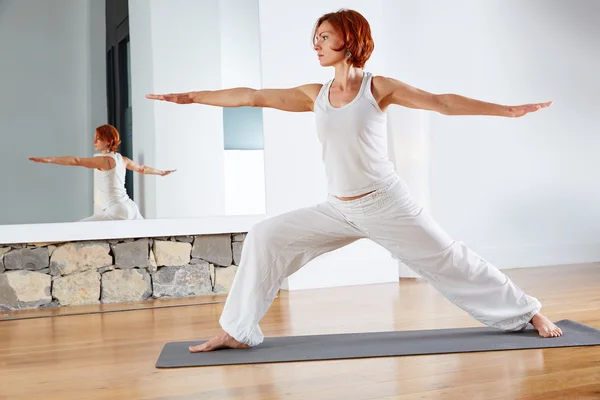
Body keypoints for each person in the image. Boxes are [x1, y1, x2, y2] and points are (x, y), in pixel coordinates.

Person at [146, 9, 561, 352]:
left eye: (325, 37)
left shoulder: (378, 88)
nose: (317, 45)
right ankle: (237, 330)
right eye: (316, 37)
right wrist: (193, 97)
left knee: (450, 259)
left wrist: (505, 110)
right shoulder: (315, 94)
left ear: (350, 38)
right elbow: (253, 95)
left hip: (386, 203)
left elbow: (441, 103)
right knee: (265, 235)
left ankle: (526, 311)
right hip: (338, 208)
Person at [29, 124, 176, 221]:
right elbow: (142, 169)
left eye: (97, 139)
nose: (94, 142)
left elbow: (76, 161)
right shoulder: (122, 159)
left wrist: (50, 159)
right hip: (130, 207)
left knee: (77, 229)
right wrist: (161, 172)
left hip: (117, 209)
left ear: (108, 141)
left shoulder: (104, 161)